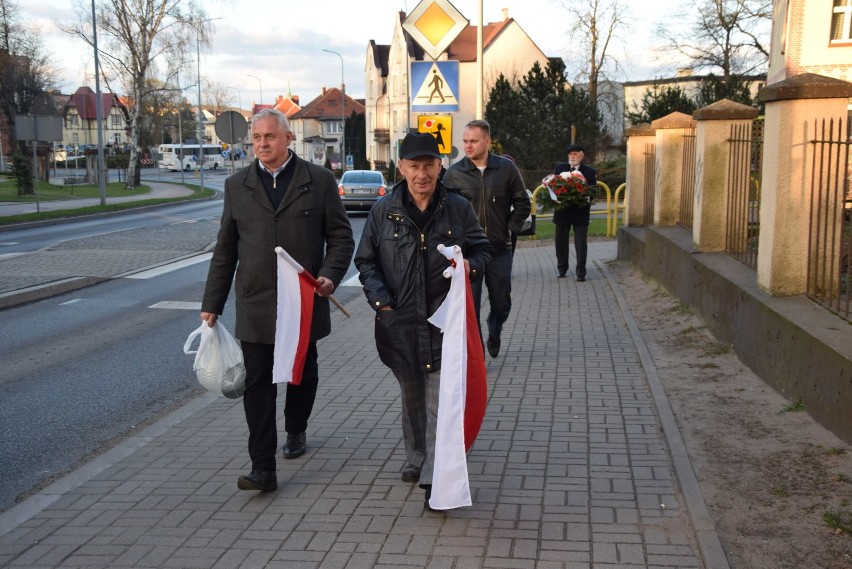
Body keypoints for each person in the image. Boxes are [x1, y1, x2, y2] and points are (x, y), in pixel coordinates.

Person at [200, 108, 354, 492]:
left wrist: (331, 277)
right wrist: (212, 303)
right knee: (258, 382)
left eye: (270, 137)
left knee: (302, 372)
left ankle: (297, 428)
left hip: (303, 297)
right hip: (255, 299)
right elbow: (225, 249)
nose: (262, 144)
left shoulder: (318, 181)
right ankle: (262, 468)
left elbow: (340, 237)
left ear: (288, 138)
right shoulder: (238, 185)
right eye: (256, 139)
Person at [354, 132, 491, 509]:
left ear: (439, 166)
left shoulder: (458, 208)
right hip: (398, 322)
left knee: (438, 399)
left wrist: (469, 266)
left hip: (444, 322)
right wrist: (383, 305)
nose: (421, 174)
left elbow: (483, 251)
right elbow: (366, 261)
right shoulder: (384, 210)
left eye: (429, 165)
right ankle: (416, 455)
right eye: (414, 166)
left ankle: (434, 477)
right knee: (412, 393)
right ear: (401, 168)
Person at [441, 119, 530, 358]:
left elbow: (523, 203)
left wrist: (510, 228)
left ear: (487, 141)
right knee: (470, 306)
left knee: (502, 302)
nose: (468, 146)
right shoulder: (453, 174)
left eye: (474, 141)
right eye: (465, 141)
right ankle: (477, 353)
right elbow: (443, 211)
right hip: (469, 254)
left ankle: (495, 326)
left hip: (500, 249)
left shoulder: (506, 169)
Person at [553, 143, 597, 282]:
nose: (572, 156)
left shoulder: (589, 172)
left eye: (575, 153)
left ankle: (581, 273)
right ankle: (562, 269)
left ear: (581, 155)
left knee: (580, 243)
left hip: (580, 212)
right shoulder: (560, 168)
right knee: (560, 242)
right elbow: (554, 187)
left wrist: (581, 195)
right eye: (570, 154)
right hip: (562, 211)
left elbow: (593, 192)